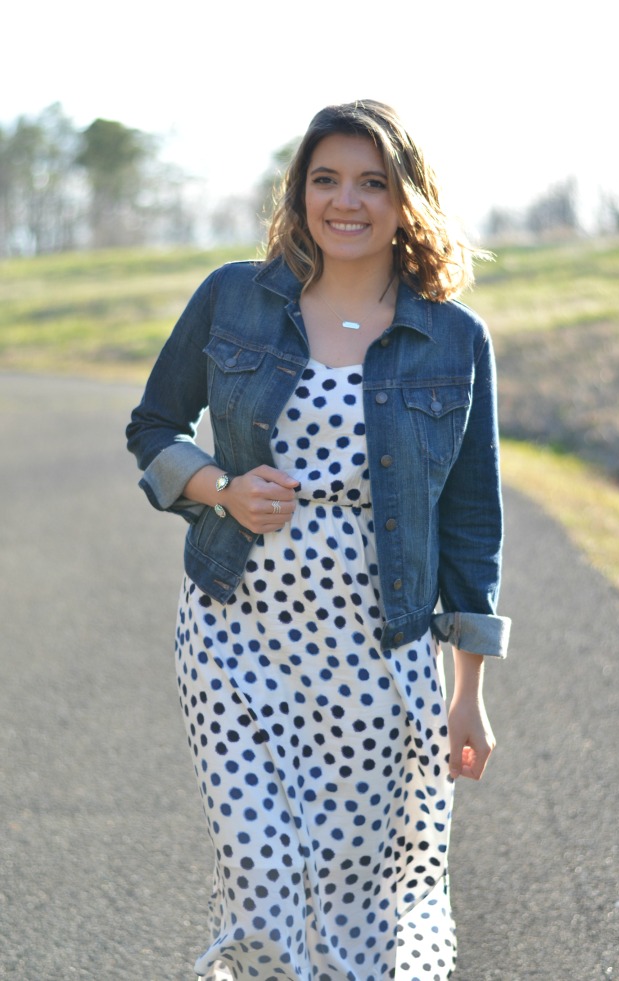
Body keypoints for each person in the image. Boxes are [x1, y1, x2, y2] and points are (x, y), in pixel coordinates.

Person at [126, 99, 511, 981]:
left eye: (373, 182)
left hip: (378, 656)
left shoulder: (453, 340)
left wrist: (469, 689)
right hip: (235, 636)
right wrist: (221, 488)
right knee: (262, 884)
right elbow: (153, 424)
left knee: (357, 908)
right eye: (326, 179)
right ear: (299, 194)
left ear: (406, 199)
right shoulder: (234, 297)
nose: (348, 201)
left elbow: (471, 521)